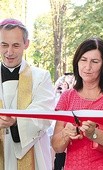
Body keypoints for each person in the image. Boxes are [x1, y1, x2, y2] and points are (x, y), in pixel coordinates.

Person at [51, 37, 103, 170]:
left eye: (95, 61)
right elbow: (57, 146)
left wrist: (94, 134)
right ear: (77, 62)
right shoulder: (67, 96)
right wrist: (66, 133)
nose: (87, 67)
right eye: (83, 60)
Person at [0, 18, 55, 170]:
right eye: (4, 45)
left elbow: (44, 114)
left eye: (16, 45)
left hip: (32, 152)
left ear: (26, 44)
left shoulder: (41, 76)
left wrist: (16, 121)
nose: (9, 52)